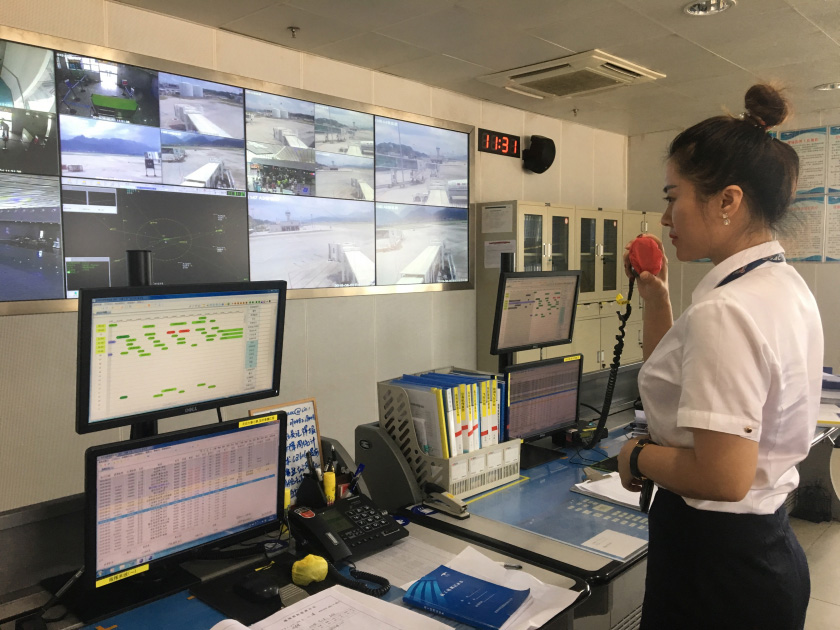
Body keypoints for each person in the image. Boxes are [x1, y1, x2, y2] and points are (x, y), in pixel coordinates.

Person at [617, 84, 822, 630]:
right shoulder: (779, 284)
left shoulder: (726, 309)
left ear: (727, 200)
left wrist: (636, 456)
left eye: (671, 196)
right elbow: (679, 374)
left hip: (716, 570)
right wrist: (656, 296)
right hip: (762, 552)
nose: (665, 217)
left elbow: (723, 476)